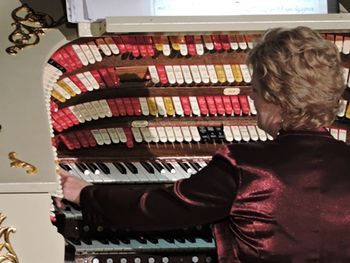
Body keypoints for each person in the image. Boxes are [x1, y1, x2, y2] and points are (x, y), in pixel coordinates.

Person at [59, 26, 350, 262]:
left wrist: (86, 194)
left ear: (276, 97)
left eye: (256, 89)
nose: (251, 96)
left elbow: (158, 208)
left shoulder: (246, 167)